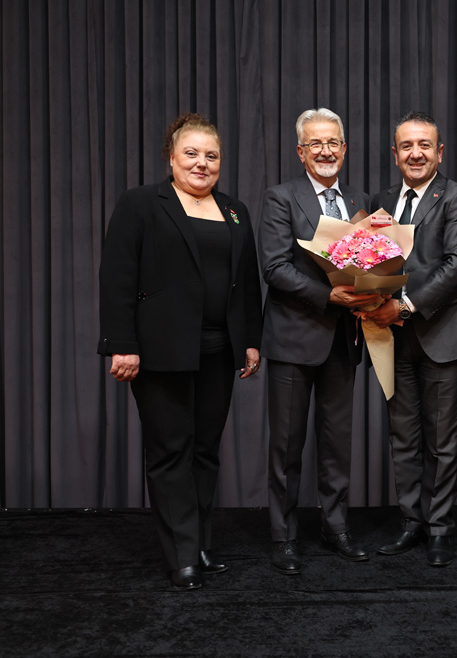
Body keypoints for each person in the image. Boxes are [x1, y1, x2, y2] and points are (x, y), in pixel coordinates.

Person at [98, 112, 263, 590]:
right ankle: (182, 555)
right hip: (160, 351)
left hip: (219, 350)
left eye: (211, 155)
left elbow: (247, 282)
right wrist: (122, 345)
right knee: (171, 452)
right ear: (170, 158)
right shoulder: (141, 204)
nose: (201, 163)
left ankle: (200, 544)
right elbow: (117, 277)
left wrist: (250, 340)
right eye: (191, 153)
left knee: (205, 452)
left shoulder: (234, 210)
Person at [354, 112, 457, 567]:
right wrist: (367, 297)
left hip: (443, 332)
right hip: (391, 338)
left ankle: (440, 529)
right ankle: (411, 522)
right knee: (403, 437)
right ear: (395, 154)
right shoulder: (381, 200)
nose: (416, 154)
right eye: (407, 146)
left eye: (424, 145)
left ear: (439, 152)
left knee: (443, 441)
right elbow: (371, 262)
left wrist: (406, 306)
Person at [258, 108, 380, 575]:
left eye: (333, 143)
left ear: (344, 149)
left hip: (344, 341)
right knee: (286, 447)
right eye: (315, 144)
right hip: (293, 338)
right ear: (300, 151)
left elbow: (371, 261)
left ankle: (336, 526)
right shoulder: (280, 198)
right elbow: (275, 268)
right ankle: (283, 535)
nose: (325, 151)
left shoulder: (360, 199)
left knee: (337, 444)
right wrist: (329, 295)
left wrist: (374, 288)